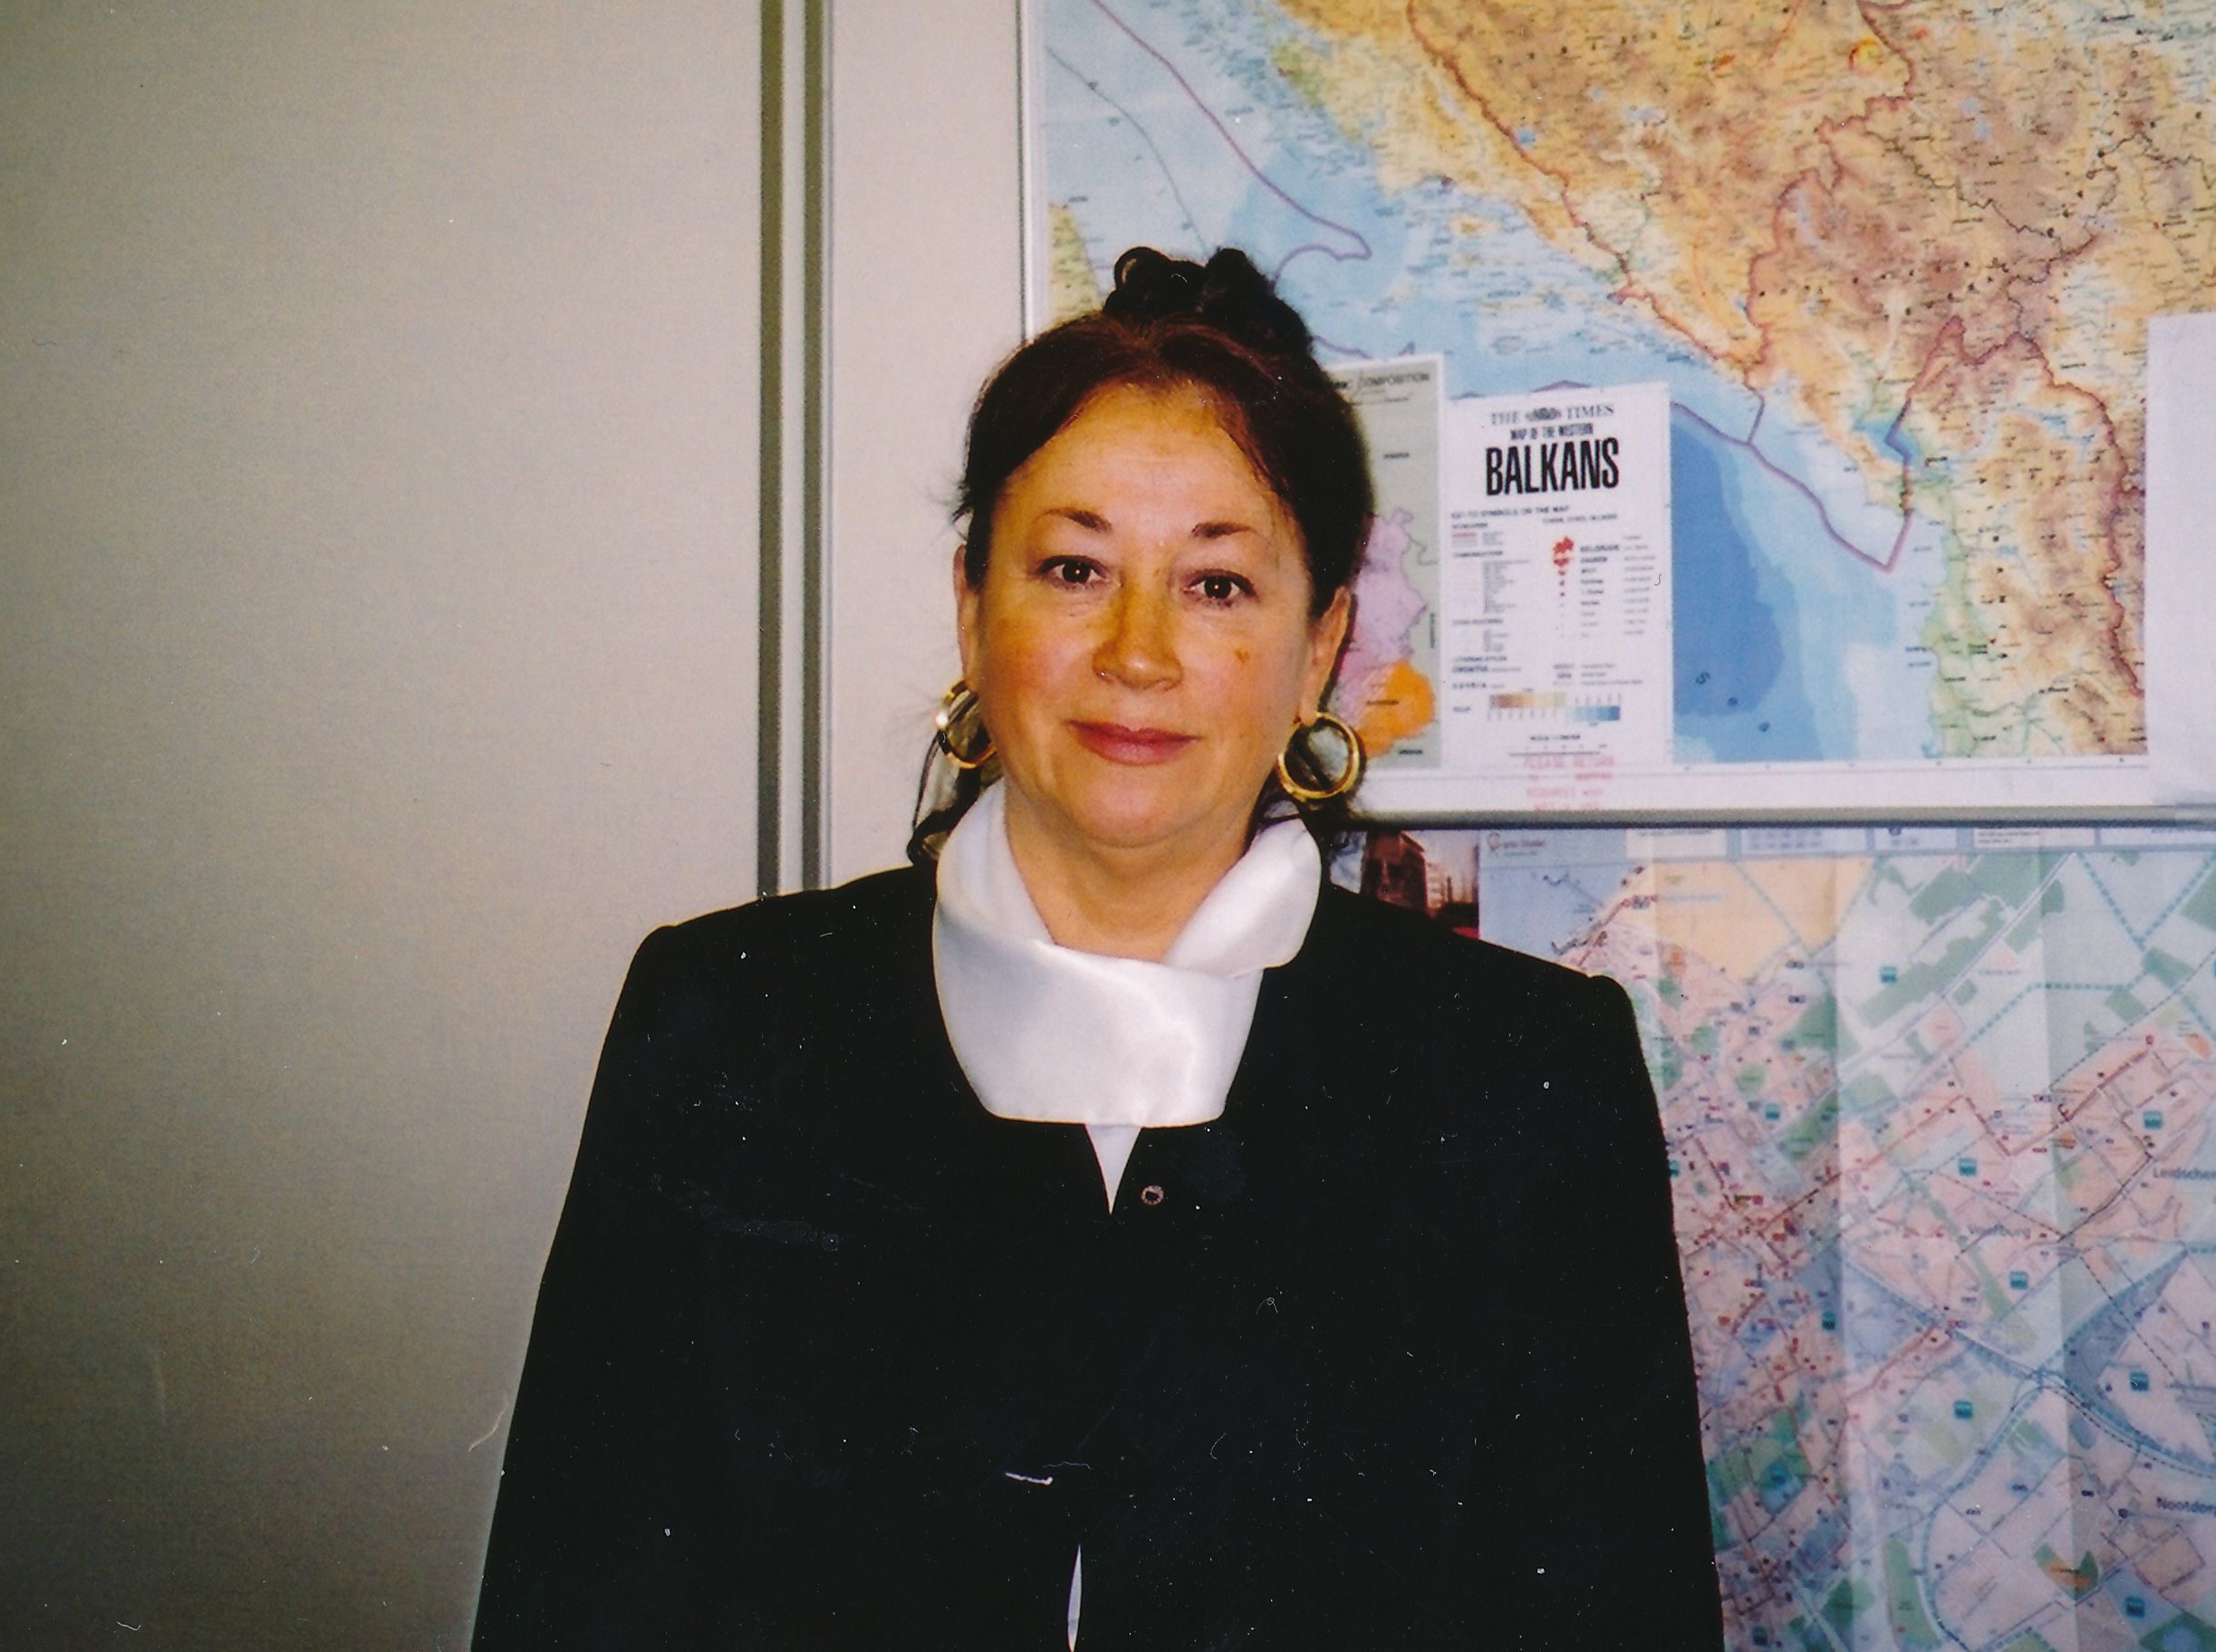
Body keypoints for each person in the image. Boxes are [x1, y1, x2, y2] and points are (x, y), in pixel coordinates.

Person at [472, 248, 1725, 1647]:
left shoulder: (1522, 1078)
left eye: (1217, 585)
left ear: (1320, 645)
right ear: (972, 605)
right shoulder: (726, 1025)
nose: (1137, 650)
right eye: (1075, 568)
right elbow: (575, 1601)